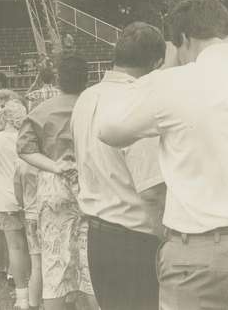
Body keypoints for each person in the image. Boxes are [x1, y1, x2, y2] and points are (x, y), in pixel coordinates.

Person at [96, 0, 228, 310]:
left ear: (183, 39)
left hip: (195, 251)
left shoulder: (172, 83)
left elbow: (109, 129)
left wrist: (168, 68)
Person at [71, 22, 167, 310]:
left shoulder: (87, 97)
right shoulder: (138, 102)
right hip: (136, 238)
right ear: (157, 62)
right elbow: (151, 190)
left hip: (99, 235)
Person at [17, 55, 98, 310]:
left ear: (59, 78)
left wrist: (54, 166)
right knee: (89, 264)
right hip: (90, 182)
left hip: (54, 182)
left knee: (54, 261)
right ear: (87, 78)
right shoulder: (95, 106)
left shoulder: (42, 110)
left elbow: (24, 149)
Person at [0, 101, 30, 310]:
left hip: (6, 198)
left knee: (15, 247)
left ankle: (22, 295)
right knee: (32, 248)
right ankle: (35, 288)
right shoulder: (28, 137)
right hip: (29, 197)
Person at [14, 158, 42, 310]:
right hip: (49, 215)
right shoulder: (50, 159)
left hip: (31, 216)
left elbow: (18, 194)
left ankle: (33, 304)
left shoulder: (21, 163)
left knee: (36, 265)